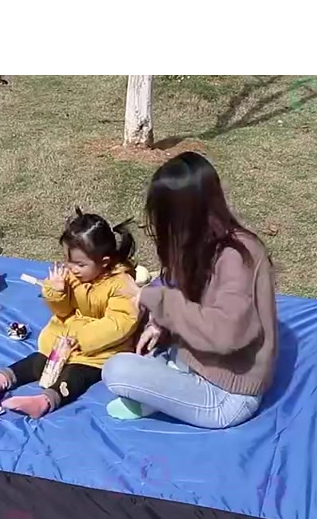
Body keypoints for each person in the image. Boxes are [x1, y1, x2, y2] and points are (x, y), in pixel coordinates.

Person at [102, 152, 278, 429]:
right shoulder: (203, 243)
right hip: (195, 360)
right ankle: (166, 388)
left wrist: (159, 301)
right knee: (141, 349)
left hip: (228, 394)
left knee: (116, 370)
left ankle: (160, 396)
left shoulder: (236, 257)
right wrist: (161, 324)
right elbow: (186, 293)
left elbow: (226, 333)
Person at [0, 208, 140, 418]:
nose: (73, 268)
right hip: (64, 339)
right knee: (39, 360)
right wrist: (56, 292)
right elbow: (63, 311)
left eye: (80, 264)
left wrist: (82, 338)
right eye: (68, 260)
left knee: (77, 374)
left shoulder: (121, 285)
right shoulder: (72, 274)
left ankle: (44, 401)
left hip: (99, 350)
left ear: (104, 262)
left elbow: (119, 322)